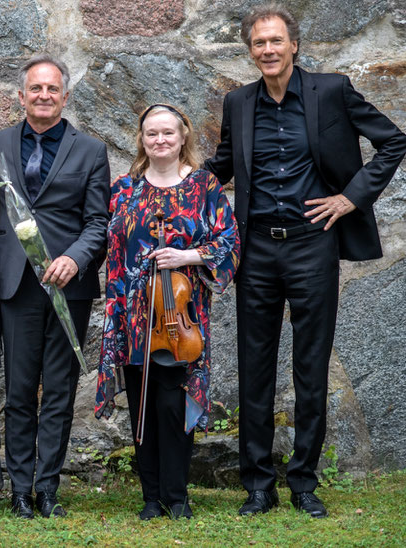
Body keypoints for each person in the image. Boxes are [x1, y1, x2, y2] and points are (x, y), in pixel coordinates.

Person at [205, 3, 406, 518]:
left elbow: (393, 141)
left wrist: (350, 198)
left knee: (310, 367)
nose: (267, 50)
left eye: (275, 41)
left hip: (313, 243)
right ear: (250, 51)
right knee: (254, 367)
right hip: (256, 249)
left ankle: (303, 482)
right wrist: (165, 184)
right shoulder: (238, 102)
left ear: (294, 44)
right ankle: (257, 484)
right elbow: (224, 164)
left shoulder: (332, 91)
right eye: (258, 44)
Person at [94, 104, 240, 519]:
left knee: (172, 406)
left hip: (180, 315)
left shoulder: (203, 186)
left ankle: (178, 496)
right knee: (142, 405)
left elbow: (229, 242)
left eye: (168, 134)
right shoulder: (124, 189)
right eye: (151, 134)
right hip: (132, 315)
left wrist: (187, 255)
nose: (160, 140)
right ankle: (151, 498)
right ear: (142, 140)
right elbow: (108, 245)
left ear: (183, 138)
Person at [0, 54, 111, 518]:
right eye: (34, 89)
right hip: (16, 286)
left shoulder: (91, 151)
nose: (43, 96)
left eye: (52, 89)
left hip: (68, 288)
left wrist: (75, 261)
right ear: (21, 96)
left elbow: (98, 222)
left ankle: (48, 489)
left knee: (58, 391)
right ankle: (19, 490)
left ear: (65, 95)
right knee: (18, 391)